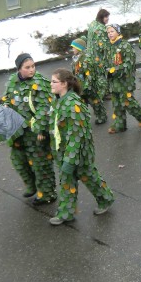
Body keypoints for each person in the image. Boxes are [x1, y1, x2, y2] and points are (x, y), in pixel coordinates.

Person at [48, 68, 114, 225]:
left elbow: (76, 135)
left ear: (64, 84)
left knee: (89, 176)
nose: (50, 84)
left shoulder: (73, 104)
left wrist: (70, 160)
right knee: (66, 181)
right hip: (65, 151)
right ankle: (66, 212)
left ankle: (106, 198)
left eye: (54, 82)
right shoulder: (58, 100)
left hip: (79, 153)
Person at [0, 53, 56, 204]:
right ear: (19, 69)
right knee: (18, 160)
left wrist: (42, 129)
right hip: (16, 130)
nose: (31, 70)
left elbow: (45, 108)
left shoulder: (40, 83)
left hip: (34, 132)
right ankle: (31, 185)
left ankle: (47, 193)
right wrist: (4, 106)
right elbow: (6, 98)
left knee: (40, 163)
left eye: (33, 66)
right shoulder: (12, 80)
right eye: (27, 67)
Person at [105, 24, 141, 134]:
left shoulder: (125, 46)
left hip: (124, 80)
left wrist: (113, 70)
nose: (110, 34)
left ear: (118, 32)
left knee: (127, 101)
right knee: (117, 104)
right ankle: (119, 125)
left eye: (112, 31)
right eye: (108, 32)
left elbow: (128, 64)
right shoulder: (110, 46)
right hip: (114, 81)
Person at [70, 37, 107, 125]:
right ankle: (84, 119)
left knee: (95, 102)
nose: (72, 49)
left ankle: (102, 116)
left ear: (79, 48)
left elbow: (90, 74)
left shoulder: (86, 60)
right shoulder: (75, 58)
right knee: (82, 103)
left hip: (89, 86)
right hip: (80, 85)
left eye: (74, 47)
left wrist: (87, 86)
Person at [86, 8, 111, 99]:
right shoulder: (101, 29)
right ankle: (101, 96)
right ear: (101, 17)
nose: (107, 19)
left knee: (96, 75)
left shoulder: (93, 23)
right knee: (102, 75)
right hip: (98, 56)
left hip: (90, 54)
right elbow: (102, 45)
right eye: (106, 17)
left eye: (108, 17)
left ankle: (103, 92)